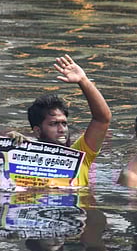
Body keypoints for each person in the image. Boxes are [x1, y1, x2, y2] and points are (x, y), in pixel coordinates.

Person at [27, 54, 112, 187]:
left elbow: (102, 119)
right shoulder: (26, 161)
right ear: (37, 131)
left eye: (64, 123)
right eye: (53, 124)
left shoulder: (80, 156)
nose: (62, 130)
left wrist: (83, 80)